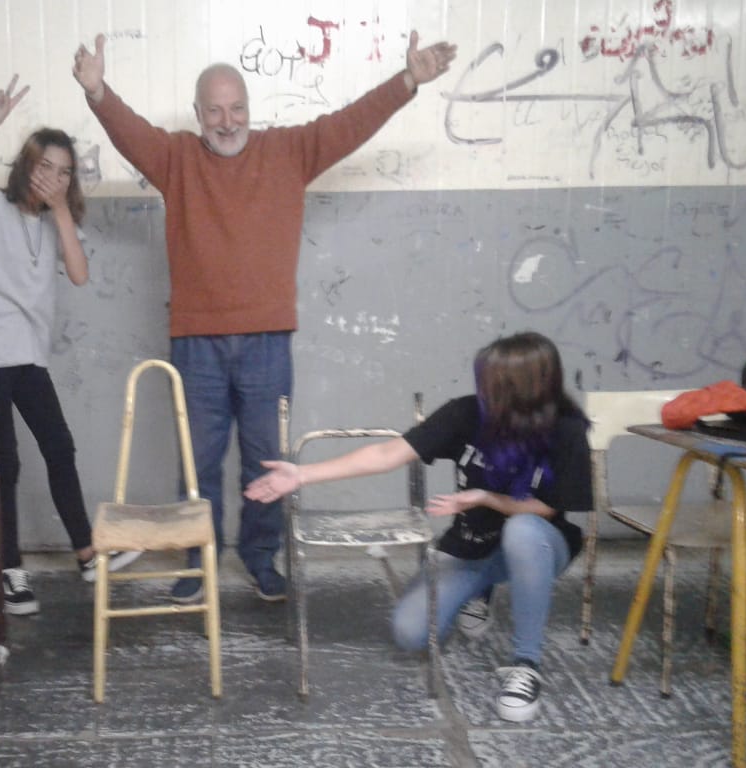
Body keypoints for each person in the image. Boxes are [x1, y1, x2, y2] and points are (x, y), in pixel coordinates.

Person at [72, 30, 458, 604]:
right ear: (198, 114)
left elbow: (351, 123)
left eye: (236, 109)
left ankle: (260, 557)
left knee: (266, 461)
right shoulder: (175, 158)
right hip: (196, 343)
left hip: (267, 342)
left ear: (250, 109)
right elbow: (130, 134)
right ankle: (196, 561)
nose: (226, 121)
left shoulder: (288, 150)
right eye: (214, 111)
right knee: (196, 463)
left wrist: (407, 81)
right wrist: (98, 91)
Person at [244, 332, 592, 722]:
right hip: (472, 546)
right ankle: (479, 590)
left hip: (540, 543)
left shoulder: (565, 430)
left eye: (495, 381)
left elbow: (546, 509)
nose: (484, 388)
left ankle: (527, 664)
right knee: (411, 632)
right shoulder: (468, 413)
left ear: (526, 386)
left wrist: (485, 497)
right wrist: (302, 474)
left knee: (522, 531)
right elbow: (386, 453)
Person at [0, 75, 139, 616]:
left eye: (64, 172)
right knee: (7, 464)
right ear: (26, 165)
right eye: (45, 166)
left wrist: (61, 208)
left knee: (59, 447)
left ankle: (87, 554)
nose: (53, 177)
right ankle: (11, 570)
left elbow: (80, 274)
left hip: (26, 357)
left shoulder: (54, 222)